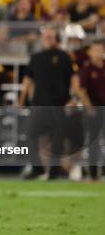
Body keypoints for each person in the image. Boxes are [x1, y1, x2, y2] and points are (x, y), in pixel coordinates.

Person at [18, 27, 93, 180]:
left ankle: (54, 172)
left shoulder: (65, 57)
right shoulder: (36, 57)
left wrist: (75, 99)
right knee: (30, 136)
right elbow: (27, 80)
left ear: (56, 39)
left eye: (51, 36)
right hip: (39, 105)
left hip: (60, 105)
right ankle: (37, 168)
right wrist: (22, 99)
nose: (48, 39)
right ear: (42, 38)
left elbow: (74, 81)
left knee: (57, 141)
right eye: (46, 36)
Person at [79, 41, 104, 180]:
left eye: (100, 49)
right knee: (94, 141)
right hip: (94, 108)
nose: (98, 52)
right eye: (95, 49)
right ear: (90, 52)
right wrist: (89, 107)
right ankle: (94, 174)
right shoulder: (87, 68)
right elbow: (82, 91)